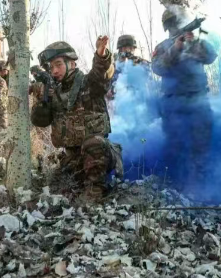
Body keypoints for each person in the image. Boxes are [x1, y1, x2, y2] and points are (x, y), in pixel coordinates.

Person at [31, 37, 123, 201]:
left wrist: (101, 55)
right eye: (51, 67)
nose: (54, 71)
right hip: (74, 156)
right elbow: (40, 121)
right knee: (61, 188)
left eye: (58, 64)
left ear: (72, 63)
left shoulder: (89, 83)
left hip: (99, 153)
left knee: (93, 143)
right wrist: (43, 101)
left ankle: (95, 191)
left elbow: (101, 74)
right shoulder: (54, 91)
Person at [151, 8, 217, 196]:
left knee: (201, 145)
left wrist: (195, 44)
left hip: (198, 100)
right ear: (167, 26)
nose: (175, 26)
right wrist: (175, 49)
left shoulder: (196, 42)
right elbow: (157, 68)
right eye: (172, 23)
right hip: (173, 104)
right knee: (175, 145)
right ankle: (175, 187)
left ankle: (200, 188)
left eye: (177, 22)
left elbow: (211, 56)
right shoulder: (163, 46)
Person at [108, 34, 150, 100]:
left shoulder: (141, 63)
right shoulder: (113, 68)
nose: (129, 51)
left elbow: (149, 77)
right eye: (125, 48)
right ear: (120, 49)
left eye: (131, 48)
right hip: (118, 102)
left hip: (138, 101)